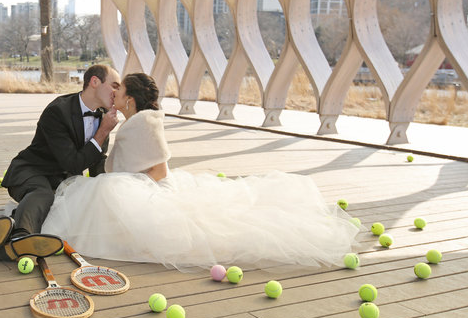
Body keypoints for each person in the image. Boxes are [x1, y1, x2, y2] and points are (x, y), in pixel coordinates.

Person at [40, 72, 359, 271]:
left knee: (101, 192)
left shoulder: (144, 124)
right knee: (99, 191)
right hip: (133, 187)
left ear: (131, 98)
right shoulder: (133, 123)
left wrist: (134, 190)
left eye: (120, 90)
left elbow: (159, 172)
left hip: (151, 192)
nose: (115, 94)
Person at [0, 64, 121, 261]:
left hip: (61, 181)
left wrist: (106, 196)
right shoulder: (58, 111)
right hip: (30, 172)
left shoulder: (101, 117)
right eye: (114, 86)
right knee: (43, 194)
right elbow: (73, 164)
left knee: (65, 208)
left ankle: (2, 243)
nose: (117, 93)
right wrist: (102, 133)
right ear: (94, 82)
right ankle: (21, 238)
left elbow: (96, 163)